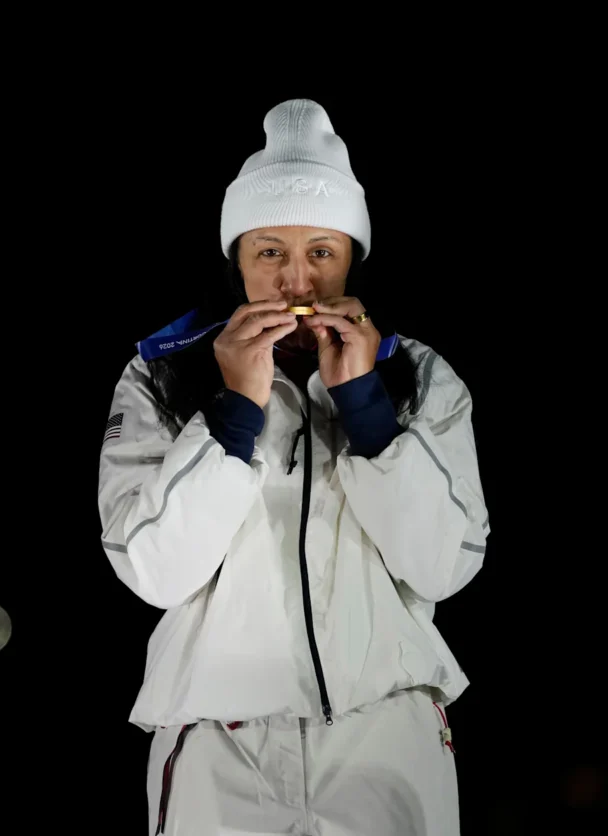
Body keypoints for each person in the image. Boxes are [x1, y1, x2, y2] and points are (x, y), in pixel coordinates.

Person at [98, 98, 490, 836]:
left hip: (386, 737)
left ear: (353, 257)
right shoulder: (161, 374)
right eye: (271, 252)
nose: (298, 284)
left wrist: (365, 404)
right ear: (237, 260)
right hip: (219, 745)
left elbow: (446, 566)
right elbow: (152, 570)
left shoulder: (417, 375)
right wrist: (235, 411)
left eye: (322, 253)